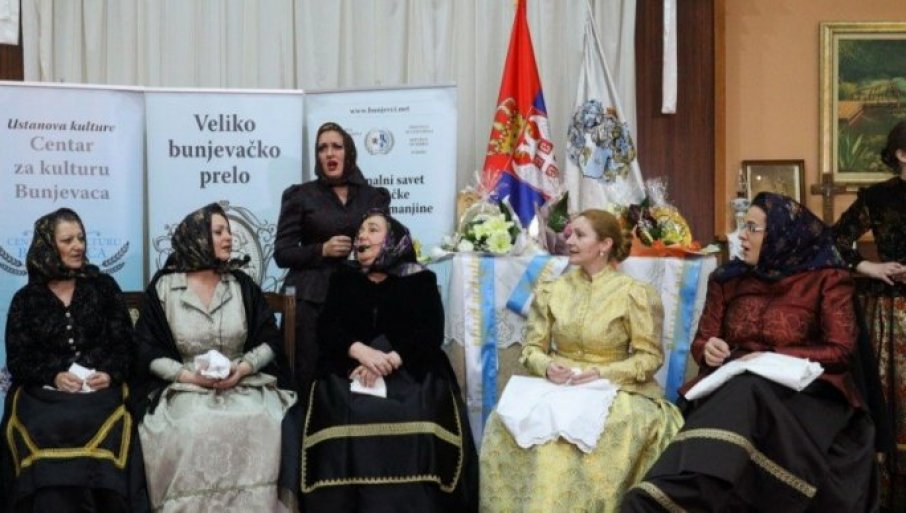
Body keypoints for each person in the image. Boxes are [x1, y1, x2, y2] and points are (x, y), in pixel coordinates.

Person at [623, 193, 877, 512]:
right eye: (743, 226)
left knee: (749, 389)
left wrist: (770, 358)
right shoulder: (727, 279)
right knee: (742, 389)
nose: (742, 235)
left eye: (753, 228)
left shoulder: (826, 279)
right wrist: (709, 350)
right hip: (733, 382)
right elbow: (703, 341)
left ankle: (679, 495)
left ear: (782, 234)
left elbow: (840, 350)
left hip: (805, 392)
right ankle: (666, 493)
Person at [480, 209, 683, 513]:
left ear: (605, 244)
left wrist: (603, 372)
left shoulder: (633, 293)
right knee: (504, 420)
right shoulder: (552, 289)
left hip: (614, 388)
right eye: (569, 234)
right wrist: (547, 367)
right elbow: (531, 348)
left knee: (590, 436)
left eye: (580, 235)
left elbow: (650, 356)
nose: (570, 241)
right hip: (558, 385)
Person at [301, 210, 478, 513]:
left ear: (393, 240)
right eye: (360, 231)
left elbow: (430, 332)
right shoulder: (343, 277)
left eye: (372, 229)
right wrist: (360, 352)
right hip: (350, 367)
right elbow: (327, 328)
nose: (362, 236)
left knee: (417, 407)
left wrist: (391, 360)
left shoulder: (420, 279)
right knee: (346, 408)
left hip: (409, 367)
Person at [132, 203, 298, 513]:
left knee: (261, 419)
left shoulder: (241, 285)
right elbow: (146, 351)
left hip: (243, 384)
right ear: (196, 237)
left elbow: (270, 341)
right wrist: (190, 377)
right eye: (219, 232)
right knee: (194, 424)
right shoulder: (165, 288)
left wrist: (242, 368)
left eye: (229, 232)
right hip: (185, 386)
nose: (228, 238)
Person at [0, 208, 147, 513]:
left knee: (97, 420)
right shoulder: (26, 299)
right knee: (44, 424)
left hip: (99, 391)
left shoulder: (103, 287)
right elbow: (19, 358)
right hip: (44, 395)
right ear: (47, 246)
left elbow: (126, 346)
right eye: (67, 240)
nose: (78, 246)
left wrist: (110, 373)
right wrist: (53, 375)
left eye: (81, 238)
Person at [275, 121, 390, 389]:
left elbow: (387, 242)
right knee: (309, 373)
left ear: (348, 152)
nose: (329, 153)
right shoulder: (300, 195)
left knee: (357, 375)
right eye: (322, 148)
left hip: (360, 292)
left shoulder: (373, 197)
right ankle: (305, 412)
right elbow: (282, 253)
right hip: (312, 297)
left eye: (336, 146)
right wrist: (321, 250)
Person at [834, 119, 906, 510]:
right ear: (901, 155)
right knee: (886, 395)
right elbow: (834, 241)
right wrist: (871, 268)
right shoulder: (877, 197)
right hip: (890, 311)